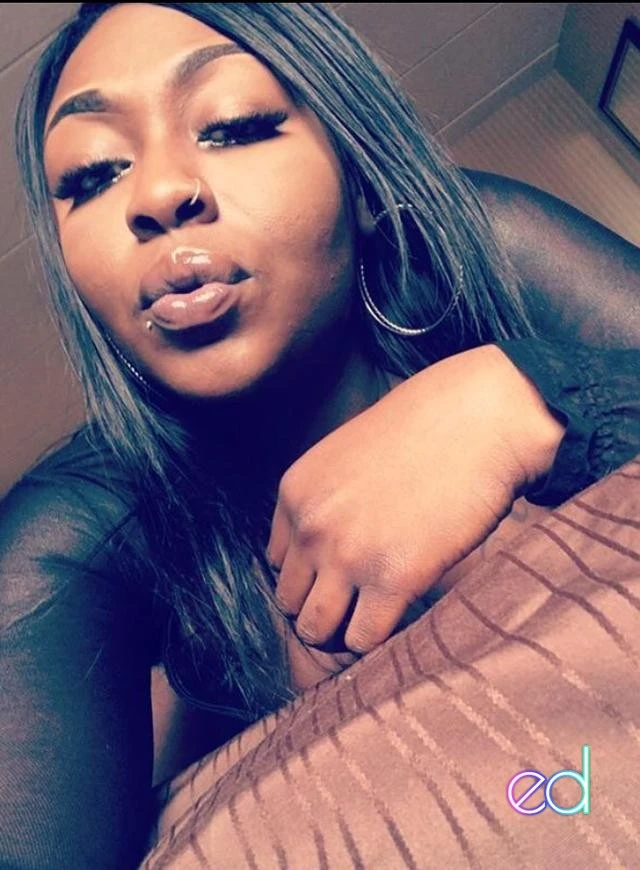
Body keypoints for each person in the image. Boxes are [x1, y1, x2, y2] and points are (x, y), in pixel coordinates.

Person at [1, 2, 638, 867]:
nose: (154, 195)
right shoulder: (72, 530)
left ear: (359, 172)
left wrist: (533, 403)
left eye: (231, 125)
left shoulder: (481, 251)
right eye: (91, 176)